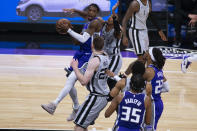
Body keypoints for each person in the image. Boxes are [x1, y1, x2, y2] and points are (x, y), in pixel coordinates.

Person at [41, 3, 103, 121]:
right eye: (89, 10)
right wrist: (75, 10)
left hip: (89, 56)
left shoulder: (95, 22)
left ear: (97, 13)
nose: (90, 12)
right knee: (70, 79)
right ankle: (76, 108)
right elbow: (78, 41)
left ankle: (54, 104)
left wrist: (69, 30)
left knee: (71, 79)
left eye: (93, 11)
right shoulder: (89, 21)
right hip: (81, 54)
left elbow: (84, 39)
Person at [71, 36, 110, 131]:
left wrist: (75, 68)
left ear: (92, 45)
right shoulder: (106, 56)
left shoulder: (94, 61)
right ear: (103, 46)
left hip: (96, 96)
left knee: (78, 127)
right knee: (83, 125)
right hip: (102, 95)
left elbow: (84, 82)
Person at [101, 1, 123, 90]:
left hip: (114, 57)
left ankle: (123, 85)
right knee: (104, 77)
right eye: (110, 17)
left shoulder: (118, 29)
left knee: (109, 77)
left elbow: (117, 28)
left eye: (114, 18)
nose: (111, 18)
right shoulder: (103, 25)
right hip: (105, 57)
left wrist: (113, 11)